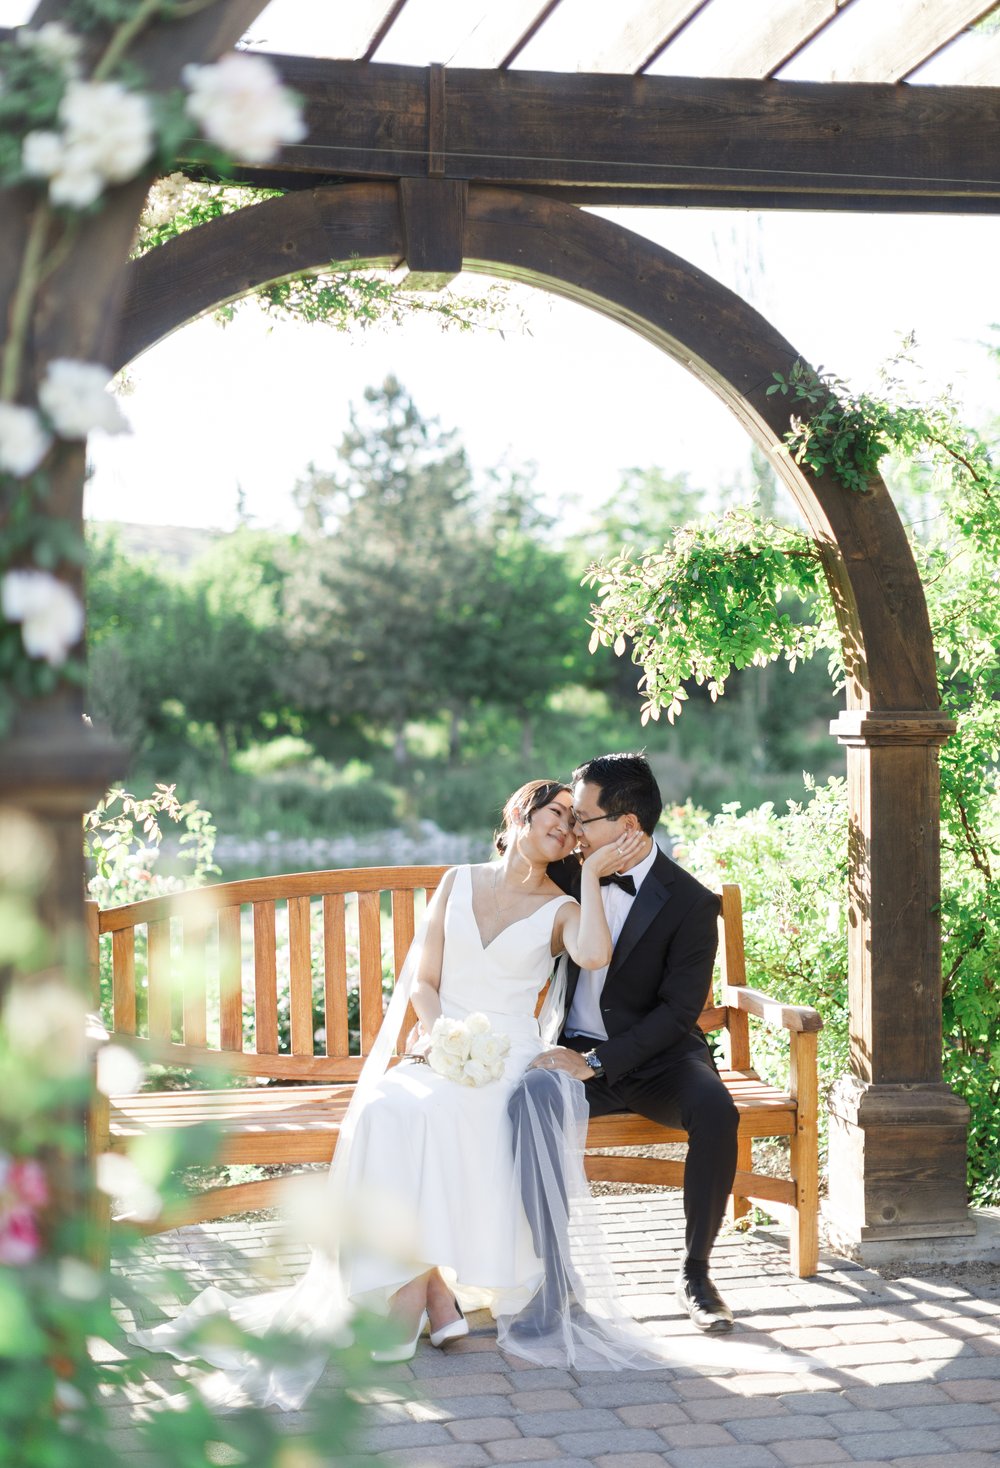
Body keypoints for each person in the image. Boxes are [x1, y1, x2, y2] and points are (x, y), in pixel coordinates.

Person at [509, 752, 740, 1334]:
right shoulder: (565, 874)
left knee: (716, 1111)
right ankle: (553, 1276)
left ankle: (696, 1271)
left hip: (658, 1059)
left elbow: (678, 1014)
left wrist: (596, 1062)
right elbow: (500, 883)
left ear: (628, 825)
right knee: (527, 1102)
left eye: (583, 819)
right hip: (572, 1048)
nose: (572, 830)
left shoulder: (691, 903)